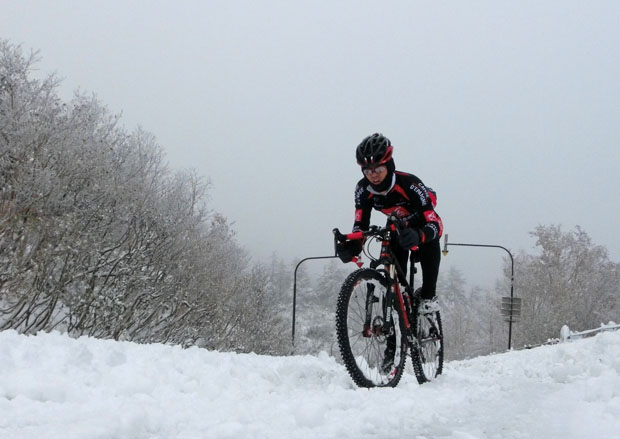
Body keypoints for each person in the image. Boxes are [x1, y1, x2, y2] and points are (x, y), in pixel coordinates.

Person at [337, 132, 443, 313]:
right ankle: (400, 307)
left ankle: (428, 296)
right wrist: (354, 245)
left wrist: (420, 234)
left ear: (389, 165)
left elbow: (436, 225)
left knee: (429, 242)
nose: (373, 175)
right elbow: (360, 223)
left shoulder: (410, 184)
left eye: (378, 169)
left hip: (420, 221)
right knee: (396, 286)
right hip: (396, 224)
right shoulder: (363, 189)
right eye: (368, 171)